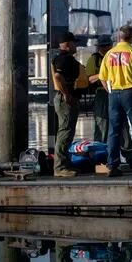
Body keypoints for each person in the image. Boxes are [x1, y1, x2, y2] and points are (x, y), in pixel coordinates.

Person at [98, 25, 132, 178]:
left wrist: (110, 91)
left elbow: (102, 77)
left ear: (118, 38)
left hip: (114, 93)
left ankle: (113, 166)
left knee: (113, 132)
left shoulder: (109, 54)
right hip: (131, 93)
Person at [86, 35, 132, 168]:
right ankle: (101, 157)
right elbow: (89, 78)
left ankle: (129, 155)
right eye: (103, 46)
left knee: (123, 125)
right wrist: (103, 73)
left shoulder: (114, 56)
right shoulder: (94, 59)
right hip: (102, 94)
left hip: (116, 91)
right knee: (102, 126)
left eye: (107, 45)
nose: (105, 48)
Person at [51, 32, 84, 177]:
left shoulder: (66, 58)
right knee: (64, 132)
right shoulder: (63, 59)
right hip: (66, 99)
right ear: (67, 44)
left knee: (68, 132)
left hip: (69, 98)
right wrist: (66, 95)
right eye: (74, 42)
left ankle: (66, 163)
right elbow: (58, 76)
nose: (75, 45)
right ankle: (59, 167)